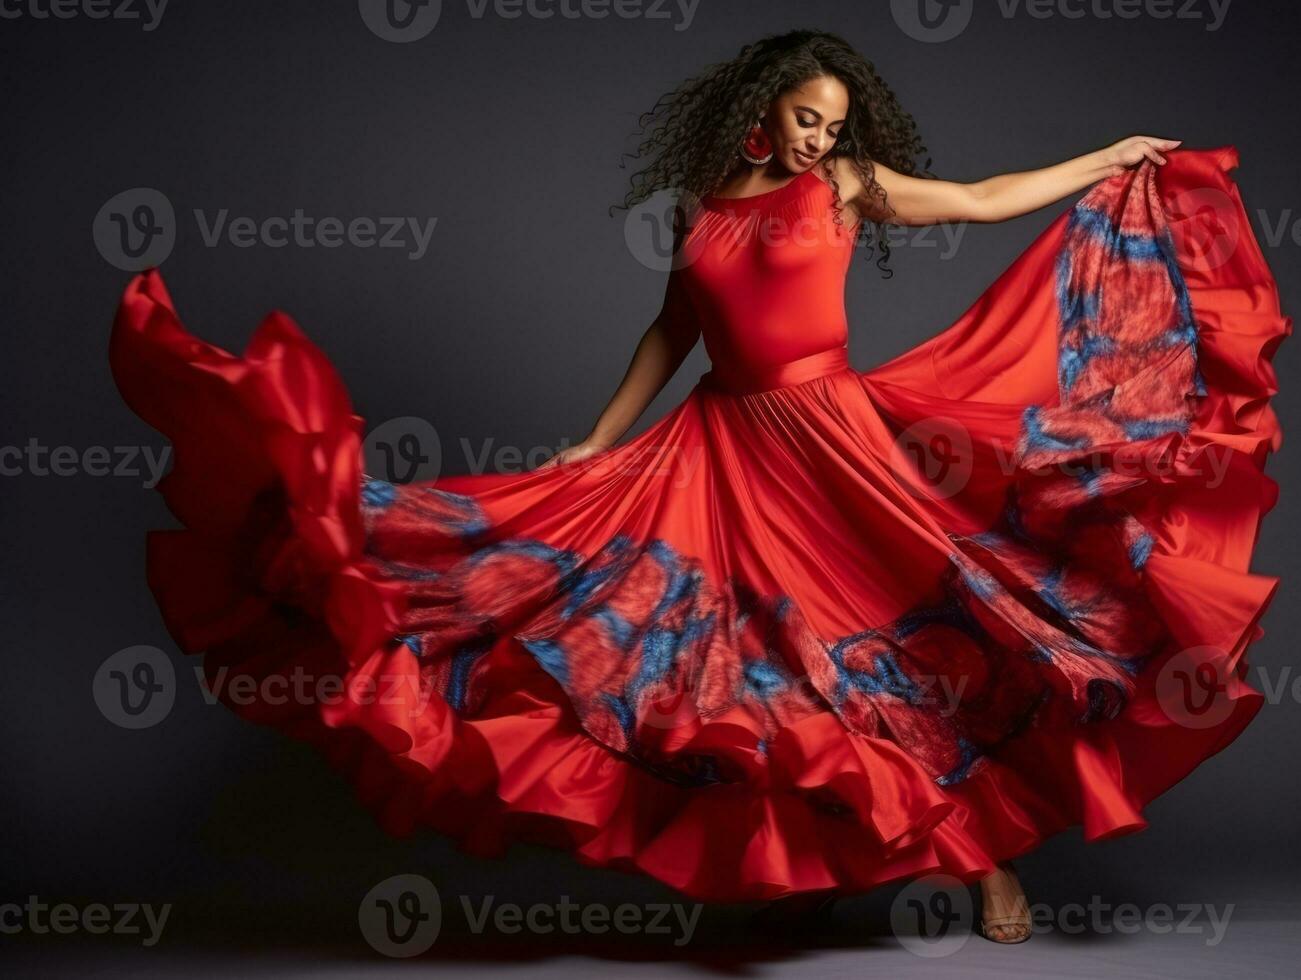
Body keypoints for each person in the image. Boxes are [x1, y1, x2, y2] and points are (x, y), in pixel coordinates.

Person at [109, 29, 1287, 946]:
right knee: (749, 667)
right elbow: (666, 337)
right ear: (760, 110)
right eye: (805, 117)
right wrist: (594, 437)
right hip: (718, 452)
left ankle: (984, 861)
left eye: (835, 123)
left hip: (836, 441)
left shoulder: (845, 190)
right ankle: (801, 875)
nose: (821, 138)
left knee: (906, 648)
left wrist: (1109, 158)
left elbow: (980, 199)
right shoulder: (702, 216)